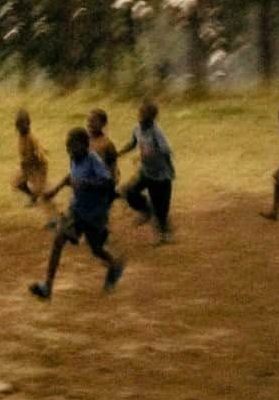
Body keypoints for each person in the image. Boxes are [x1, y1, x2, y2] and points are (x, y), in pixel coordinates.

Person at [29, 127, 124, 300]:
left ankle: (114, 264)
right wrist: (55, 190)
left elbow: (107, 182)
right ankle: (47, 287)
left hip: (95, 214)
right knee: (58, 239)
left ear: (84, 146)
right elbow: (71, 177)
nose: (68, 149)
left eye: (72, 146)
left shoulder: (93, 160)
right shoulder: (74, 158)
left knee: (96, 249)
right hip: (76, 211)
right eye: (67, 146)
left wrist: (88, 184)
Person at [119, 100, 175, 243]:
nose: (141, 117)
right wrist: (120, 152)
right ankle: (146, 210)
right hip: (146, 171)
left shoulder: (157, 132)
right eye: (140, 114)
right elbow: (133, 142)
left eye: (145, 116)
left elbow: (166, 150)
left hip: (161, 175)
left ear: (152, 118)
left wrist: (144, 155)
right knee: (129, 191)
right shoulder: (137, 128)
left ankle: (164, 234)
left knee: (161, 206)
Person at [12, 108, 51, 208]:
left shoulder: (31, 137)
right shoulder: (21, 136)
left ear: (28, 124)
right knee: (18, 183)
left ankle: (36, 199)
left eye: (23, 125)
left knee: (39, 189)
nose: (21, 128)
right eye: (19, 125)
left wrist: (40, 153)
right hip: (27, 166)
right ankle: (33, 197)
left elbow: (38, 148)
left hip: (38, 166)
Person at [87, 108, 120, 190]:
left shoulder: (107, 143)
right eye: (89, 121)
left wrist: (113, 179)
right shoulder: (84, 139)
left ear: (103, 124)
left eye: (94, 121)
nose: (90, 124)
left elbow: (113, 165)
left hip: (100, 182)